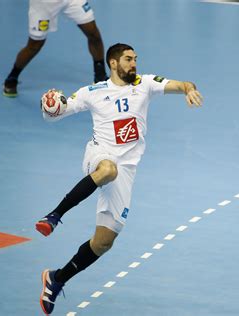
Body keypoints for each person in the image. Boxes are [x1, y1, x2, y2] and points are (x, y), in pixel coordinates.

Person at [36, 43, 203, 315]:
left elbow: (182, 84)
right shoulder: (93, 92)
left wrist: (190, 88)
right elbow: (58, 112)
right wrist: (51, 105)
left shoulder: (146, 84)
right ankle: (53, 216)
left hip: (127, 169)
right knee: (107, 169)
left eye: (135, 59)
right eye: (128, 59)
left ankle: (56, 278)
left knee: (103, 242)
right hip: (99, 155)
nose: (134, 63)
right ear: (113, 63)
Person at [3, 0, 108, 97]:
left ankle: (100, 76)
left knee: (93, 33)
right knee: (35, 44)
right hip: (44, 4)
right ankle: (12, 76)